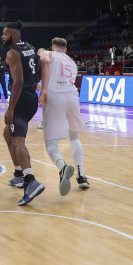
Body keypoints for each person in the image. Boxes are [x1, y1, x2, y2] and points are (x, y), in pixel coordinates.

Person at [0, 21, 44, 206]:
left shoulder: (12, 53)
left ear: (14, 35)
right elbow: (39, 68)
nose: (2, 37)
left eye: (5, 34)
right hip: (31, 98)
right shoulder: (29, 47)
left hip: (20, 99)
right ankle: (19, 174)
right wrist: (34, 83)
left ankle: (30, 180)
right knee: (8, 134)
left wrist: (10, 108)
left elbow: (17, 82)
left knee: (18, 142)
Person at [38, 38, 89, 193]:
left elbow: (45, 61)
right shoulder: (72, 62)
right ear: (65, 50)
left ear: (53, 48)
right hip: (73, 97)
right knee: (74, 137)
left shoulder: (48, 54)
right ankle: (82, 176)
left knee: (51, 145)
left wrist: (44, 88)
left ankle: (63, 167)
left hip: (55, 97)